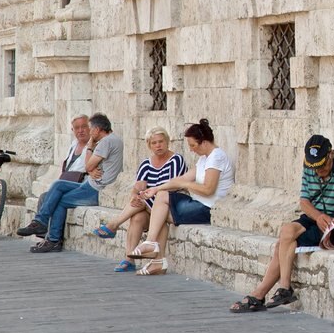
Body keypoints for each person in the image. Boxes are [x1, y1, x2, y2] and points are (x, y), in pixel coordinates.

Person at [230, 134, 334, 313]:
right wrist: (318, 216)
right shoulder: (310, 165)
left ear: (331, 154)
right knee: (287, 231)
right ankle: (280, 289)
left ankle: (263, 294)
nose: (318, 171)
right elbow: (304, 201)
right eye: (315, 168)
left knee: (282, 244)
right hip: (316, 216)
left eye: (322, 166)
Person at [126, 119, 234, 275]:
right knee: (160, 205)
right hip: (195, 203)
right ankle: (156, 257)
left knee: (158, 212)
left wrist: (186, 185)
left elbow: (208, 189)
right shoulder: (204, 158)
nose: (191, 150)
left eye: (193, 145)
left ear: (203, 142)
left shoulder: (216, 157)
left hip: (206, 208)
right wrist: (155, 189)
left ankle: (154, 253)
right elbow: (180, 180)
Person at [17, 112, 124, 253]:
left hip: (94, 189)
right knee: (58, 184)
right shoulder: (113, 139)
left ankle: (53, 240)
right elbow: (90, 167)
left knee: (59, 201)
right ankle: (40, 222)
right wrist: (91, 168)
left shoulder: (106, 142)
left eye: (90, 128)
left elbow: (88, 166)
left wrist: (90, 147)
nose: (89, 132)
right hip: (90, 184)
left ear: (97, 130)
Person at [90, 126, 187, 274]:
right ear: (149, 145)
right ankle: (129, 259)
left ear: (167, 142)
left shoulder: (175, 160)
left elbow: (171, 187)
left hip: (170, 206)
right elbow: (138, 187)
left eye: (161, 141)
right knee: (137, 217)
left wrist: (143, 196)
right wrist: (135, 195)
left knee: (144, 201)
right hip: (150, 207)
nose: (158, 145)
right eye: (154, 143)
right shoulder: (146, 164)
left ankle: (114, 224)